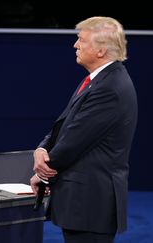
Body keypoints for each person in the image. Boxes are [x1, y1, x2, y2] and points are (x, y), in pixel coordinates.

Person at [30, 16, 137, 243]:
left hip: (91, 203)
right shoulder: (96, 80)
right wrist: (41, 148)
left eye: (81, 40)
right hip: (85, 202)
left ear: (100, 51)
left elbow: (74, 142)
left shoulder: (110, 88)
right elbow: (65, 124)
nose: (75, 45)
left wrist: (43, 171)